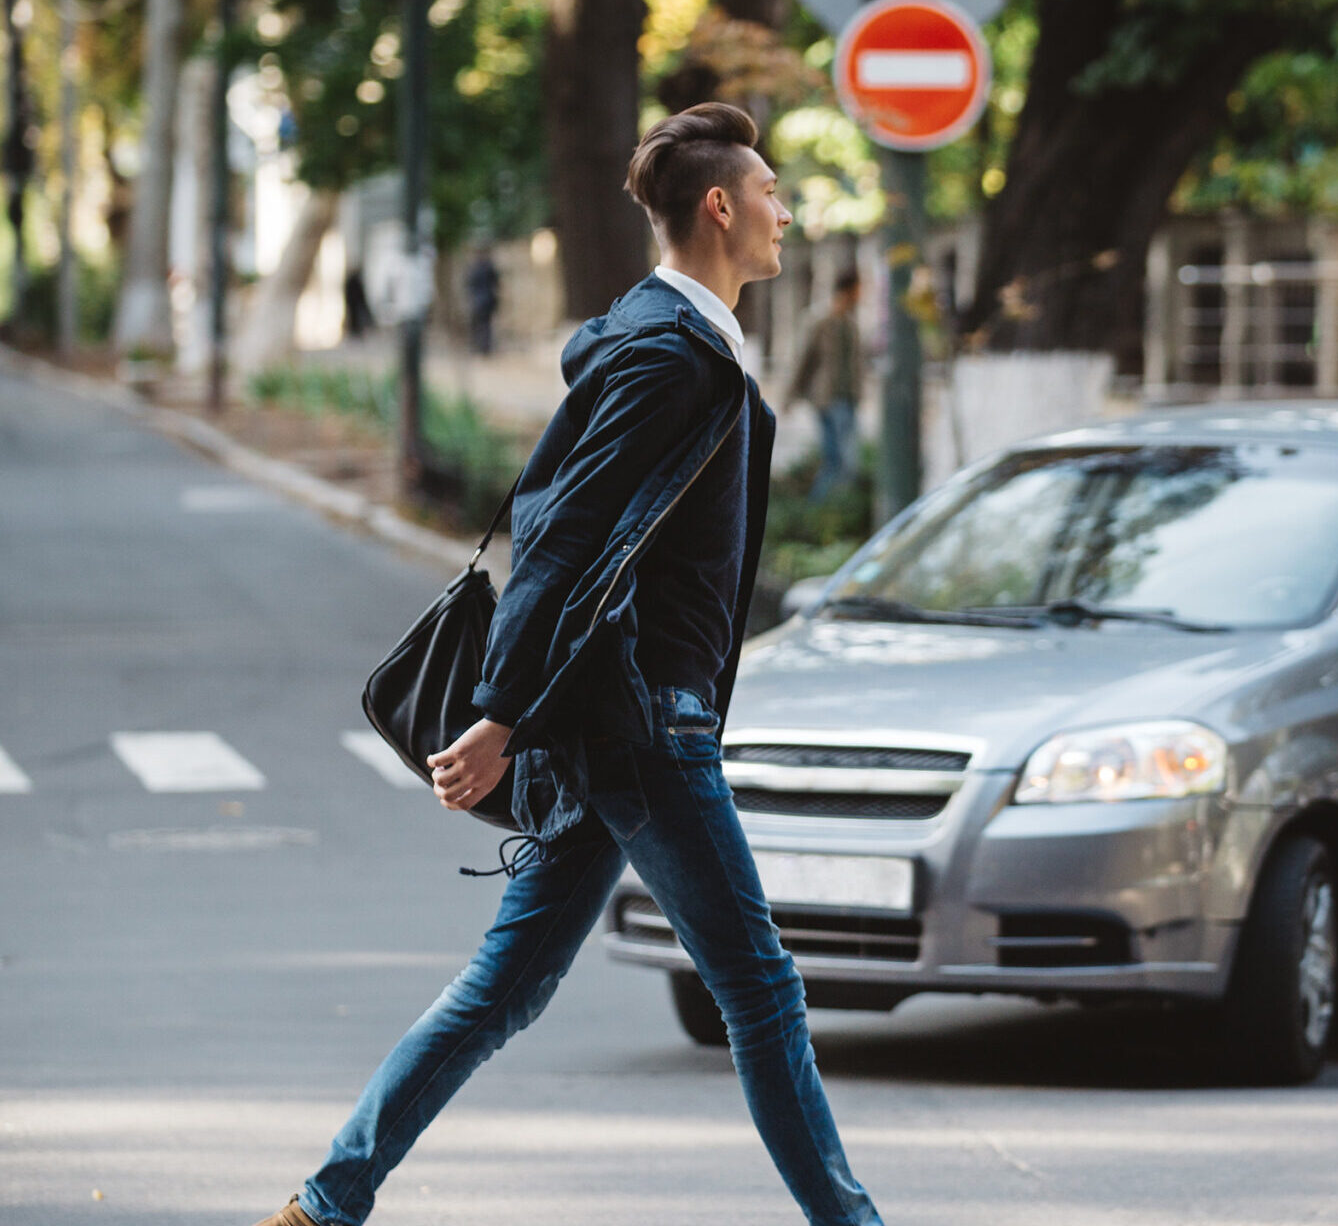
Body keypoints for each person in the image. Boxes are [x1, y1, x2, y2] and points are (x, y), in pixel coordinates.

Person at [252, 103, 882, 1226]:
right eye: (774, 191)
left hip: (617, 716)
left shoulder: (681, 338)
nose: (788, 212)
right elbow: (565, 532)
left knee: (501, 989)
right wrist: (499, 713)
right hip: (645, 724)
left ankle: (325, 1202)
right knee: (763, 989)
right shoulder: (668, 353)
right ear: (721, 206)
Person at [785, 265, 861, 502]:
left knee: (846, 464)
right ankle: (817, 510)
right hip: (828, 399)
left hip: (849, 399)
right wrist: (789, 396)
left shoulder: (851, 323)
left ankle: (833, 511)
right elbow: (803, 360)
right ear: (849, 290)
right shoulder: (819, 320)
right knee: (839, 461)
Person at [463, 249, 501, 356]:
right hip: (487, 300)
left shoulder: (473, 268)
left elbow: (468, 284)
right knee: (486, 326)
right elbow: (496, 284)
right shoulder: (489, 267)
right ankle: (484, 347)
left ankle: (479, 347)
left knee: (479, 325)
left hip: (477, 301)